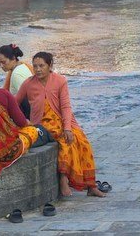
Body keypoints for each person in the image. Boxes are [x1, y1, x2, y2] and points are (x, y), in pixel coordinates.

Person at [15, 52, 109, 198]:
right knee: (65, 142)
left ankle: (91, 186)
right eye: (35, 66)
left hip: (64, 120)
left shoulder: (60, 81)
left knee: (83, 142)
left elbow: (65, 107)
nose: (38, 69)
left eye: (42, 66)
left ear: (50, 65)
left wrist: (67, 128)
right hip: (42, 124)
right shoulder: (28, 83)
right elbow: (14, 103)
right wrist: (24, 121)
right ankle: (64, 180)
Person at [0, 43, 33, 118]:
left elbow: (27, 100)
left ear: (13, 58)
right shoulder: (22, 66)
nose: (1, 66)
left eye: (3, 62)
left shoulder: (16, 74)